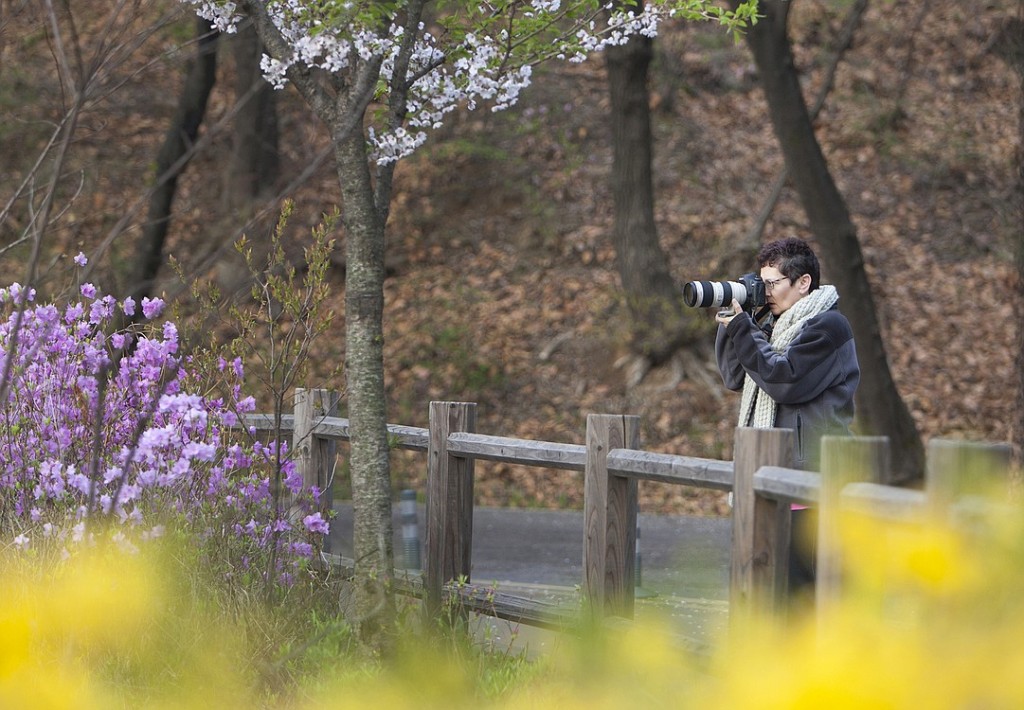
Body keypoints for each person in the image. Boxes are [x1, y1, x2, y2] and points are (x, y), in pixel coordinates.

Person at [714, 237, 860, 591]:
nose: (765, 293)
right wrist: (734, 322)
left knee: (805, 596)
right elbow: (735, 375)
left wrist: (743, 329)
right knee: (766, 593)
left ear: (803, 282)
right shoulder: (775, 328)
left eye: (772, 284)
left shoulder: (828, 327)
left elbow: (785, 379)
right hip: (770, 476)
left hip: (812, 487)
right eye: (761, 283)